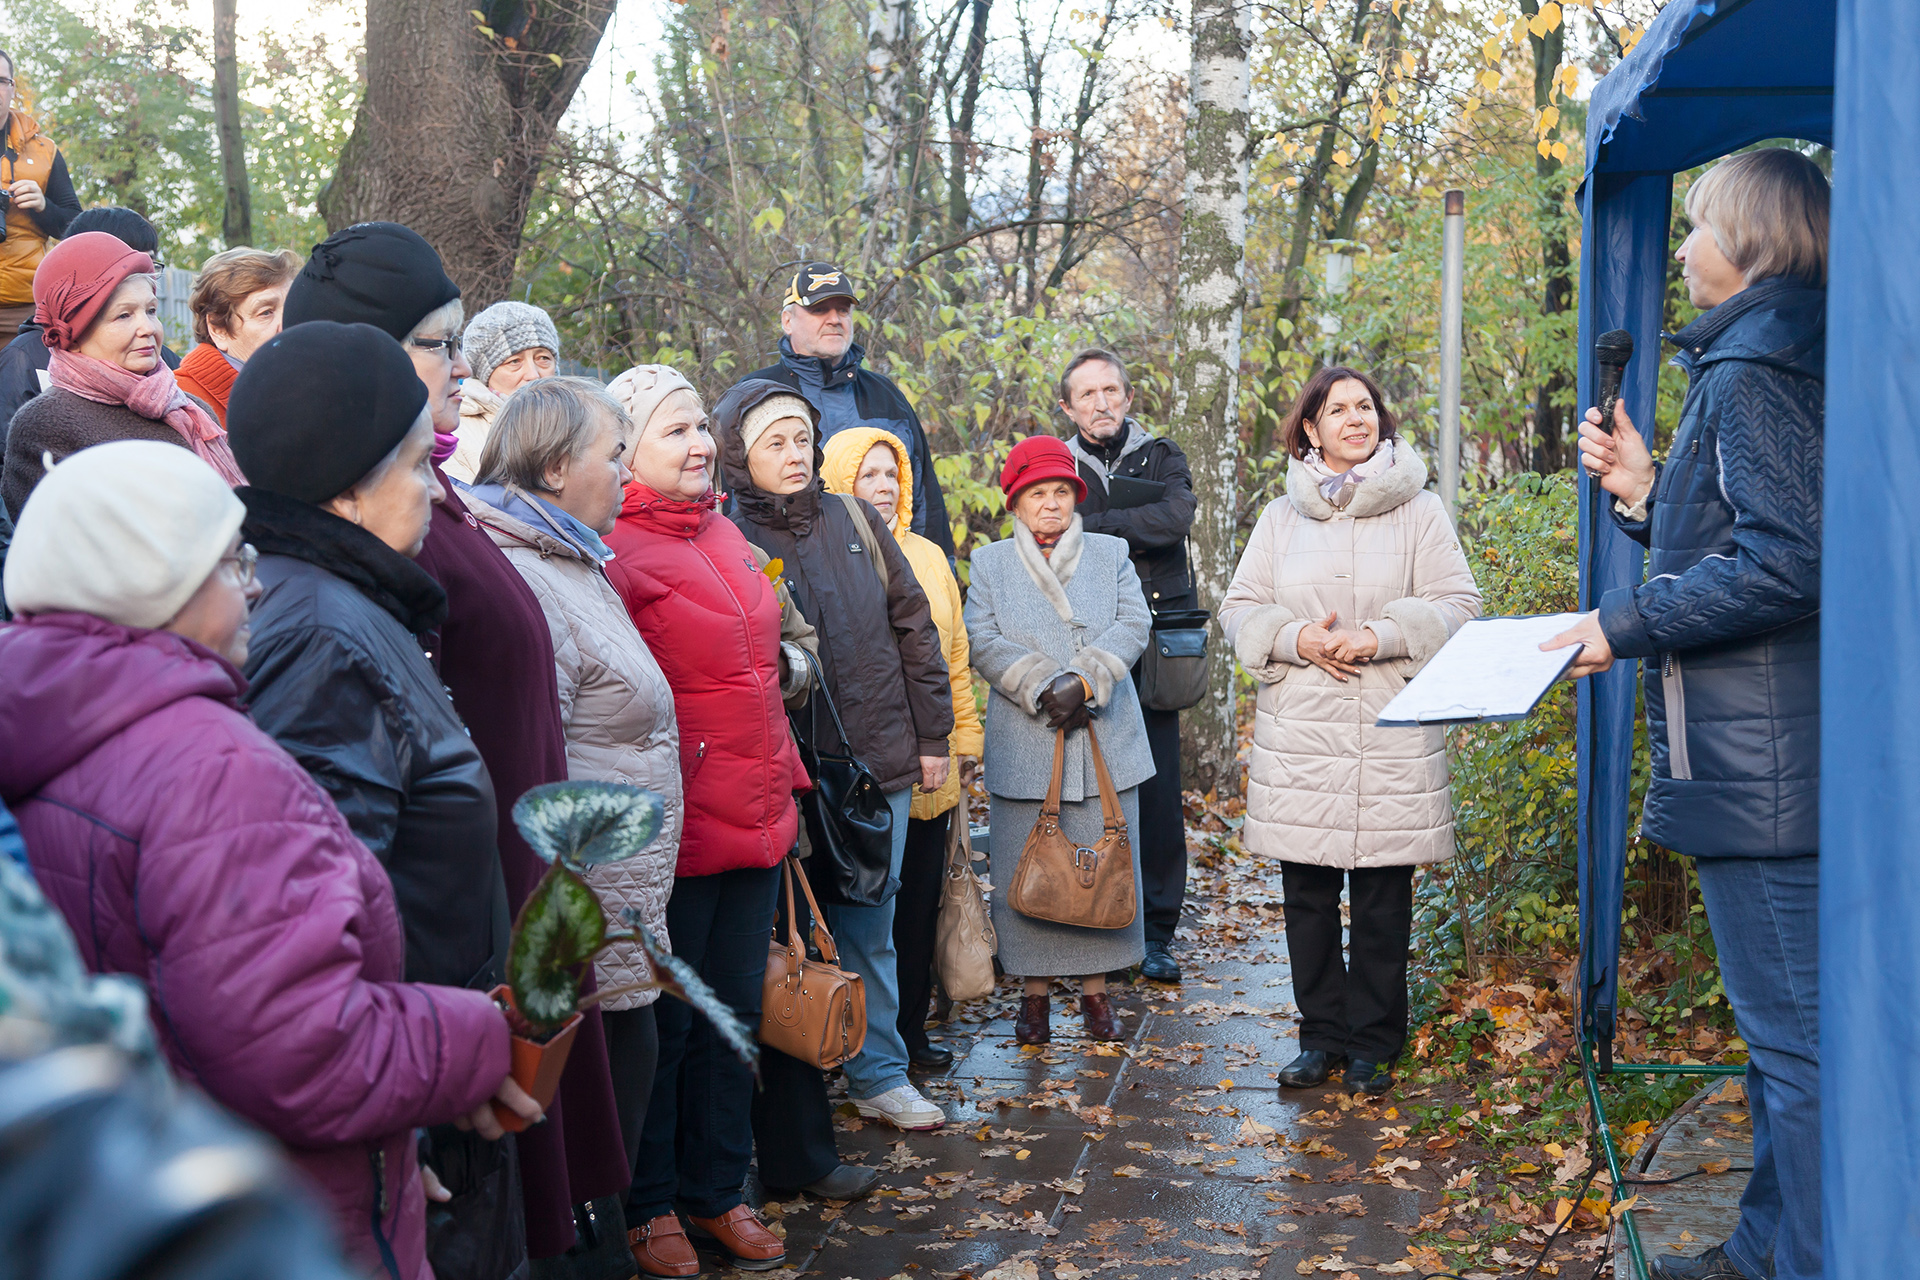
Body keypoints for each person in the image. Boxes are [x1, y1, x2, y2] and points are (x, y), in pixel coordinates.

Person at [0, 439, 538, 1279]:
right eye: (229, 562)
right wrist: (478, 1039)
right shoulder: (214, 772)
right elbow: (302, 1051)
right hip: (289, 1216)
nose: (255, 583)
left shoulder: (49, 730)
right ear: (155, 582)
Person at [282, 221, 632, 1268]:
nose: (461, 365)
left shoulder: (434, 495)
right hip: (465, 916)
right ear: (370, 353)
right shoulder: (378, 526)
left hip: (518, 884)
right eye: (439, 342)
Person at [1542, 149, 1828, 1280]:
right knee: (1786, 1045)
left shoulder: (1755, 367)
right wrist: (1654, 495)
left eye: (1697, 225)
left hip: (1765, 766)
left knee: (1798, 1047)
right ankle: (1770, 1248)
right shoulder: (1780, 354)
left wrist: (1626, 619)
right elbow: (1764, 534)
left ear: (1749, 247)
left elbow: (1786, 565)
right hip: (1778, 749)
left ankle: (1806, 1258)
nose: (1679, 245)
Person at [595, 366, 833, 1275]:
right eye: (674, 431)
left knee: (738, 1015)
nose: (699, 445)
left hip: (760, 814)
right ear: (626, 450)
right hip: (678, 831)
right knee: (673, 1025)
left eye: (701, 426)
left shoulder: (728, 532)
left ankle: (719, 1192)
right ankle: (649, 1206)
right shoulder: (613, 551)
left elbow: (775, 651)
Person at [466, 376, 682, 1263]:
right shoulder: (527, 576)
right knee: (591, 1155)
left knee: (617, 1134)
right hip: (587, 924)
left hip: (627, 907)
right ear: (557, 467)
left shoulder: (574, 556)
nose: (628, 472)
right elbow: (534, 763)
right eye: (614, 454)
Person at [1219, 366, 1481, 1098]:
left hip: (1388, 729)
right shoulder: (1281, 517)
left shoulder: (1420, 511)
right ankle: (1319, 1039)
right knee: (1305, 896)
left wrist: (1384, 636)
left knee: (1380, 899)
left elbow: (1459, 601)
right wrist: (1297, 636)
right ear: (1311, 428)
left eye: (1365, 407)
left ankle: (1372, 1044)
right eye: (1339, 409)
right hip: (1300, 731)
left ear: (1380, 422)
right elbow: (1239, 608)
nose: (1355, 418)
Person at [720, 378, 955, 1137]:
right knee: (787, 934)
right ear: (738, 455)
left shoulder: (853, 515)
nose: (794, 456)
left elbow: (914, 625)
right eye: (773, 443)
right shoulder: (729, 535)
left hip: (876, 761)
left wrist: (931, 737)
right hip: (783, 773)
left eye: (800, 438)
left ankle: (879, 1074)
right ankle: (796, 1091)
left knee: (870, 924)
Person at [963, 435, 1153, 1044]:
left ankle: (1097, 994)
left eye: (1062, 492)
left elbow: (1134, 622)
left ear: (1077, 496)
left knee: (1104, 865)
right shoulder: (990, 562)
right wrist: (1044, 683)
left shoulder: (1110, 551)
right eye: (1037, 494)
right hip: (1028, 735)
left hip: (1106, 737)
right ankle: (1035, 995)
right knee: (1033, 870)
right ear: (1015, 503)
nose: (1051, 504)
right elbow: (982, 636)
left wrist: (1087, 679)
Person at [821, 426, 984, 1068]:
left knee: (917, 911)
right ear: (838, 480)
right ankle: (847, 1041)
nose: (884, 487)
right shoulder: (830, 554)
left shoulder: (930, 557)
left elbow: (955, 659)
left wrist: (963, 738)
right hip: (862, 778)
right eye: (869, 475)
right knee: (862, 920)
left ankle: (909, 1036)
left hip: (932, 766)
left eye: (893, 475)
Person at [1057, 348, 1199, 984]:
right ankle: (1104, 925)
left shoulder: (1163, 455)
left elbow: (1175, 518)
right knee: (1094, 790)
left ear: (1128, 396)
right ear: (1068, 406)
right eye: (1086, 395)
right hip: (1086, 648)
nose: (1101, 403)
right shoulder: (1057, 464)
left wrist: (1097, 521)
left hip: (1158, 650)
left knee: (1160, 792)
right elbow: (1050, 531)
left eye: (1110, 390)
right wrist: (1123, 526)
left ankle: (1159, 931)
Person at [2, 231, 244, 520]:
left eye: (151, 311)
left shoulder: (190, 410)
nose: (149, 329)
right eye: (124, 316)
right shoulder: (44, 424)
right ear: (75, 334)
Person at [736, 261, 956, 560]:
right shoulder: (755, 393)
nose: (834, 319)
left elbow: (923, 496)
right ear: (788, 321)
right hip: (792, 572)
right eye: (819, 310)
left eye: (843, 310)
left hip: (892, 569)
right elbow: (733, 499)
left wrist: (940, 566)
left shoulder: (886, 395)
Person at [0, 206, 180, 433]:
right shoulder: (24, 360)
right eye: (120, 261)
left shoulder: (161, 363)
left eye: (148, 263)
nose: (140, 274)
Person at [0, 51, 81, 342]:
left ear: (13, 89)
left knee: (25, 386)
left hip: (25, 307)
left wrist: (43, 206)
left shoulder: (45, 151)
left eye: (1, 80)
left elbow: (76, 226)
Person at [174, 246, 303, 424]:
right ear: (218, 329)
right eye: (266, 312)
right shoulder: (180, 404)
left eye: (292, 306)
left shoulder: (302, 384)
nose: (289, 322)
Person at [448, 299, 561, 482]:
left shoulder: (582, 424)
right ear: (485, 374)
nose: (533, 374)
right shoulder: (455, 437)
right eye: (514, 362)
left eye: (543, 358)